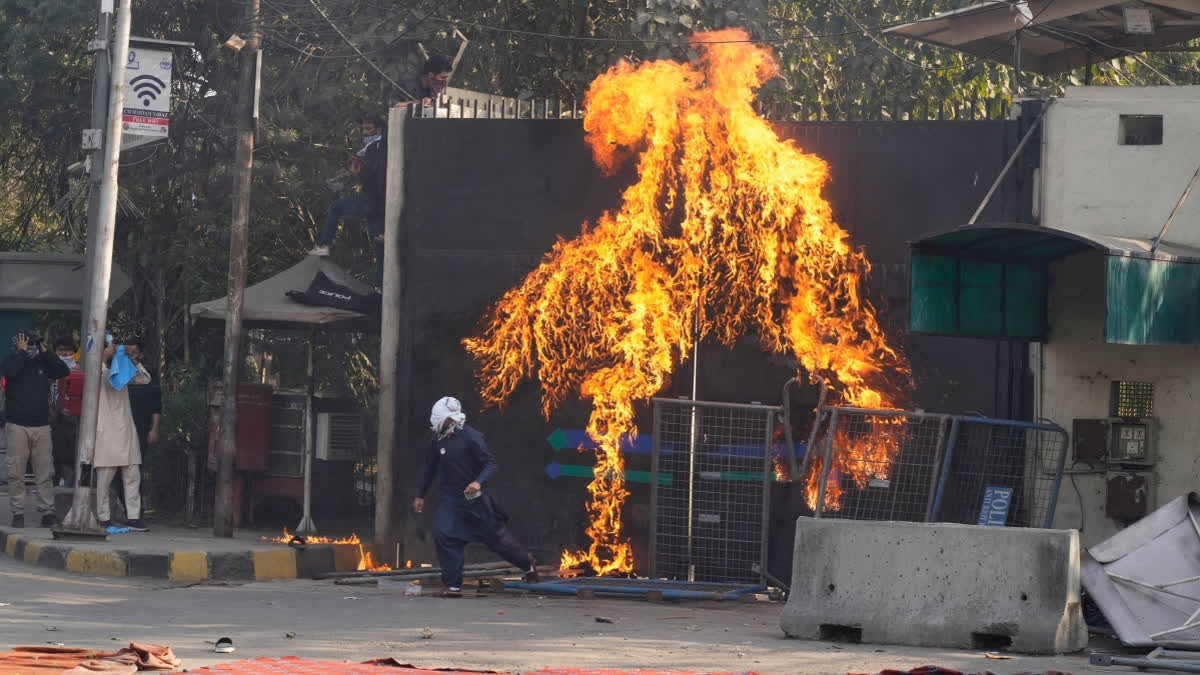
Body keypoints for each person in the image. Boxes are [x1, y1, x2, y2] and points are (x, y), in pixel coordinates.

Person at [413, 396, 538, 597]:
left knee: (496, 540)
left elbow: (490, 464)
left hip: (474, 499)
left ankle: (527, 565)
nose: (437, 423)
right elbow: (430, 468)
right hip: (451, 499)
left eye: (441, 419)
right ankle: (453, 586)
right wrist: (420, 494)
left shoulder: (471, 437)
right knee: (444, 535)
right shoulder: (436, 441)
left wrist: (477, 482)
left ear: (450, 419)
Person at [309, 114, 387, 287]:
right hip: (382, 203)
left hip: (371, 199)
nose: (365, 132)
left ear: (379, 129)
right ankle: (381, 284)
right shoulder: (382, 145)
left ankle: (324, 244)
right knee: (379, 242)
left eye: (369, 129)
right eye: (363, 129)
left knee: (336, 207)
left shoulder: (375, 146)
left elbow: (372, 175)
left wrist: (356, 170)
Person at [3, 331, 70, 527]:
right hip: (17, 426)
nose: (30, 346)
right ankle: (18, 513)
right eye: (27, 343)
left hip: (41, 426)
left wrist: (45, 349)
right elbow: (11, 372)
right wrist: (21, 353)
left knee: (45, 472)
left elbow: (62, 370)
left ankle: (47, 512)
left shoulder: (42, 362)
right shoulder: (11, 360)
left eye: (33, 344)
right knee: (16, 472)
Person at [93, 338, 151, 531]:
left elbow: (144, 379)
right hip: (106, 431)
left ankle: (133, 517)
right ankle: (103, 517)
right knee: (105, 478)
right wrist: (103, 356)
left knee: (133, 474)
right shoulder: (98, 373)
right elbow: (96, 375)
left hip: (126, 429)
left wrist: (131, 358)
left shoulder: (123, 373)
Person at [124, 339, 161, 515]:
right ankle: (125, 505)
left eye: (134, 352)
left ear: (141, 355)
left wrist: (154, 429)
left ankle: (136, 508)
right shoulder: (118, 372)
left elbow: (156, 405)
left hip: (141, 427)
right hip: (120, 427)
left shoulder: (149, 374)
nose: (131, 356)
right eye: (127, 352)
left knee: (136, 467)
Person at [50, 336, 80, 487]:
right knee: (54, 455)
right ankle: (55, 485)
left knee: (70, 454)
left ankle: (69, 484)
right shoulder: (48, 370)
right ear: (54, 352)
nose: (65, 354)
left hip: (73, 419)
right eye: (61, 351)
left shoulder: (79, 369)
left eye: (68, 351)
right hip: (52, 419)